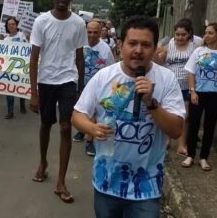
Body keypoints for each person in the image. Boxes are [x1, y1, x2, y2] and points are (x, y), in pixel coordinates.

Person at [71, 15, 185, 218]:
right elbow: (78, 115)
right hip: (107, 181)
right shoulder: (103, 77)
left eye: (145, 45)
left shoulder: (166, 80)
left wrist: (151, 103)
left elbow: (176, 131)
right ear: (121, 45)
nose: (138, 50)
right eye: (132, 43)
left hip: (146, 186)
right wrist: (91, 128)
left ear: (154, 48)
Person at [29, 0, 86, 204]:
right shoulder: (41, 21)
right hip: (46, 81)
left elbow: (80, 59)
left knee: (65, 128)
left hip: (68, 81)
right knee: (46, 124)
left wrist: (81, 89)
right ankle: (43, 162)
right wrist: (34, 93)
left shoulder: (78, 24)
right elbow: (34, 59)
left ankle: (61, 181)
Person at [181, 22, 217, 171]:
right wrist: (192, 91)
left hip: (216, 94)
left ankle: (204, 158)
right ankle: (190, 155)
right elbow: (191, 72)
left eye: (210, 33)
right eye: (205, 32)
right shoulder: (198, 51)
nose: (206, 35)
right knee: (194, 123)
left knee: (210, 126)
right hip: (198, 94)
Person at [156, 19, 199, 156]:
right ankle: (166, 140)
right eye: (177, 34)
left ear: (189, 34)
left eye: (183, 34)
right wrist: (159, 53)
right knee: (168, 114)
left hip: (186, 87)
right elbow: (159, 61)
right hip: (170, 86)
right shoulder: (169, 45)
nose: (180, 37)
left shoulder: (194, 47)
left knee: (184, 117)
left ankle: (181, 144)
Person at [73, 21, 115, 157]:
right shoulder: (79, 45)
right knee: (81, 110)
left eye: (95, 32)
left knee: (94, 112)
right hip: (80, 84)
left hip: (98, 86)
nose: (92, 35)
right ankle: (82, 129)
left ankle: (90, 140)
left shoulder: (105, 49)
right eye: (89, 32)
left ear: (100, 32)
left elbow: (111, 69)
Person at [2, 17, 27, 119]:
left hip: (21, 66)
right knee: (9, 89)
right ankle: (10, 111)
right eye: (9, 24)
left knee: (21, 87)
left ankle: (22, 104)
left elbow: (27, 47)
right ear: (7, 27)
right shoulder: (5, 39)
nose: (11, 26)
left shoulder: (22, 35)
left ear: (16, 25)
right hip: (10, 67)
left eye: (13, 24)